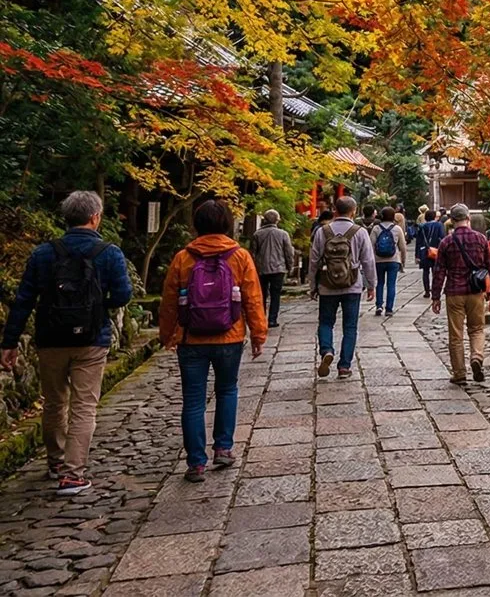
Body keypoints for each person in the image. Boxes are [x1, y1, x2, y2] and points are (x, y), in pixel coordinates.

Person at [1, 191, 133, 496]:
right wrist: (99, 308)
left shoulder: (43, 254)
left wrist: (9, 342)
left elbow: (23, 301)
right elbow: (124, 295)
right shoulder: (108, 252)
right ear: (95, 217)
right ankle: (74, 474)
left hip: (50, 338)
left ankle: (56, 463)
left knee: (54, 402)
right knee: (84, 405)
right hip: (91, 339)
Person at [159, 199, 267, 483]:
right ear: (227, 224)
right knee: (227, 390)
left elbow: (169, 301)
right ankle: (223, 447)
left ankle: (195, 462)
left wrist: (167, 333)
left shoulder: (183, 257)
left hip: (190, 338)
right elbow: (253, 299)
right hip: (229, 335)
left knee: (193, 400)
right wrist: (258, 334)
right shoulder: (239, 255)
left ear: (197, 224)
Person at [309, 196, 376, 378]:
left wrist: (312, 285)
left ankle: (326, 350)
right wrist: (371, 284)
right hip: (352, 284)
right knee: (350, 326)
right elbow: (368, 261)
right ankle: (344, 366)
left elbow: (314, 261)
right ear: (353, 211)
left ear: (334, 210)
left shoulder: (322, 232)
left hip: (327, 284)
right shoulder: (360, 232)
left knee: (325, 322)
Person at [431, 204, 490, 385]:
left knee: (456, 335)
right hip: (475, 291)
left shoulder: (446, 242)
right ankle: (477, 356)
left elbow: (439, 271)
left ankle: (459, 373)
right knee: (477, 329)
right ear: (468, 218)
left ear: (452, 221)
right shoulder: (481, 239)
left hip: (454, 292)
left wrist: (435, 296)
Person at [249, 209, 295, 327]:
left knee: (262, 294)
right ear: (277, 220)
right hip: (278, 268)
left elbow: (253, 253)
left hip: (261, 268)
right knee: (276, 295)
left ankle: (261, 318)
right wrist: (290, 266)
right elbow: (288, 252)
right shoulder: (283, 234)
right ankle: (272, 319)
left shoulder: (257, 234)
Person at [371, 206, 406, 317]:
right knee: (391, 285)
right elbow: (402, 247)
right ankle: (389, 308)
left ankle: (379, 306)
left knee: (380, 283)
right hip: (393, 260)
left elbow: (371, 246)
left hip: (378, 260)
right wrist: (402, 262)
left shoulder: (376, 228)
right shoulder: (397, 229)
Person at [414, 209, 445, 299]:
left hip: (424, 251)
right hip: (435, 251)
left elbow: (418, 241)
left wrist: (417, 255)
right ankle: (435, 290)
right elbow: (442, 238)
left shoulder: (422, 226)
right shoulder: (439, 225)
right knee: (435, 272)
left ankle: (427, 291)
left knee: (425, 272)